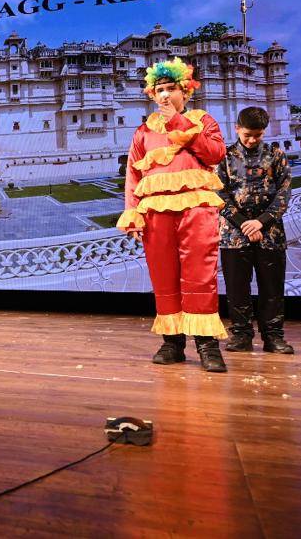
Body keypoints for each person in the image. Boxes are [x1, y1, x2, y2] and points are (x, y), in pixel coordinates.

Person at [117, 58, 229, 372]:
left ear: (185, 91)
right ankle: (172, 342)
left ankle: (207, 344)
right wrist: (132, 213)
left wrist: (178, 123)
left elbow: (215, 154)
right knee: (163, 275)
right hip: (155, 213)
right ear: (152, 95)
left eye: (171, 88)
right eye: (160, 90)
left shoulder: (202, 120)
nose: (165, 94)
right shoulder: (143, 132)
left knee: (200, 275)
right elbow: (132, 175)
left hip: (196, 208)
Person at [216, 106, 294, 354]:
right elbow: (218, 195)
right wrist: (244, 223)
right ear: (237, 128)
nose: (252, 140)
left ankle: (274, 337)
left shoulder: (276, 156)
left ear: (264, 131)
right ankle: (241, 336)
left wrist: (261, 222)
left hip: (270, 234)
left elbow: (284, 194)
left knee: (272, 288)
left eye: (257, 135)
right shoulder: (224, 157)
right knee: (237, 288)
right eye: (247, 134)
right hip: (234, 235)